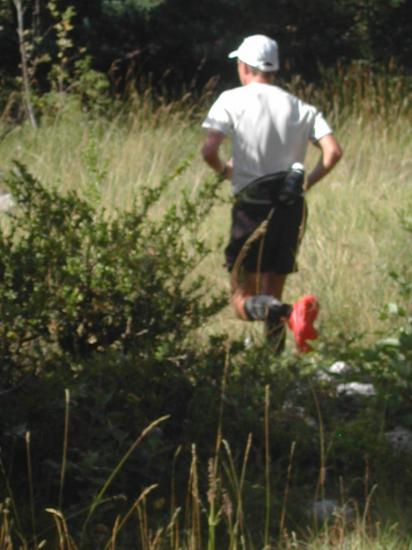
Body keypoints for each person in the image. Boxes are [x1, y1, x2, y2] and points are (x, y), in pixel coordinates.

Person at [201, 34, 343, 353]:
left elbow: (209, 150)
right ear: (274, 68)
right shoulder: (301, 107)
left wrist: (226, 172)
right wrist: (306, 183)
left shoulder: (230, 99)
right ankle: (273, 361)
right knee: (272, 291)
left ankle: (289, 313)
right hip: (291, 203)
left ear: (244, 65)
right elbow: (333, 152)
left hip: (252, 202)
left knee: (242, 301)